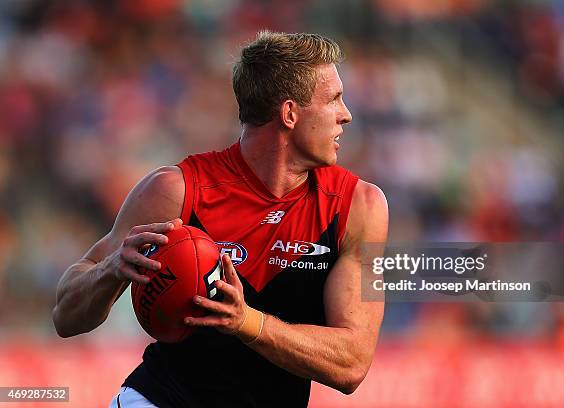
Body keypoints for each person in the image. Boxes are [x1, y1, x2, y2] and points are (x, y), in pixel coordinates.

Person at [52, 31, 388, 408]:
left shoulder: (359, 206)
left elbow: (352, 365)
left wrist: (246, 322)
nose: (347, 114)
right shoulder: (176, 190)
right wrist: (110, 270)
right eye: (335, 99)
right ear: (290, 114)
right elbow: (65, 317)